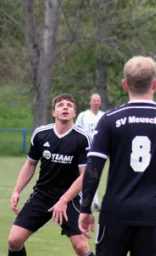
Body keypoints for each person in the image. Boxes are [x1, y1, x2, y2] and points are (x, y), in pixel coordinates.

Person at [78, 56, 156, 256]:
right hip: (152, 214)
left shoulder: (108, 120)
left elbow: (93, 168)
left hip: (115, 213)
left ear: (125, 84)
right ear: (155, 84)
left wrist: (85, 207)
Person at [7, 94, 94, 256]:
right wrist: (17, 190)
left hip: (70, 199)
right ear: (53, 112)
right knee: (14, 240)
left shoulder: (83, 139)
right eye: (60, 105)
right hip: (42, 196)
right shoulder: (41, 134)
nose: (65, 107)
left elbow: (85, 176)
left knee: (81, 247)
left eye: (69, 105)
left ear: (74, 113)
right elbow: (30, 164)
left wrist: (63, 200)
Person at [75, 93, 104, 211]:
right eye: (94, 100)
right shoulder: (83, 116)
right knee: (85, 174)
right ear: (90, 102)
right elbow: (77, 130)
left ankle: (94, 202)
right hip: (85, 149)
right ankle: (84, 200)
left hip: (98, 151)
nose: (96, 102)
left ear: (100, 102)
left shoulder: (104, 116)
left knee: (93, 174)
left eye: (98, 100)